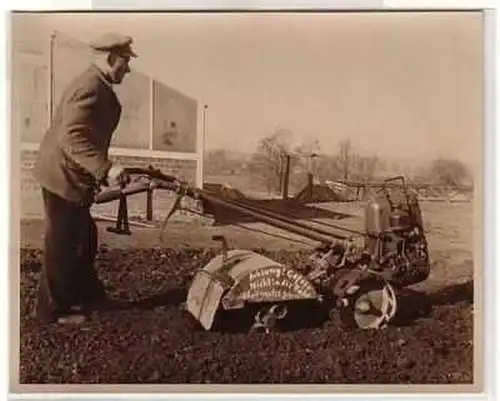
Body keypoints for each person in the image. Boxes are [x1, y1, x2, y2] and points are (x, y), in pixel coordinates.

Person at [33, 33, 138, 325]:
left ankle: (89, 297)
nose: (127, 69)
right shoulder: (90, 87)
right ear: (110, 59)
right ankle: (53, 311)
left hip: (69, 173)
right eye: (125, 61)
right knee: (64, 244)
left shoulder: (95, 84)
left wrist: (102, 169)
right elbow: (73, 137)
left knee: (84, 238)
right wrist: (106, 168)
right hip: (63, 176)